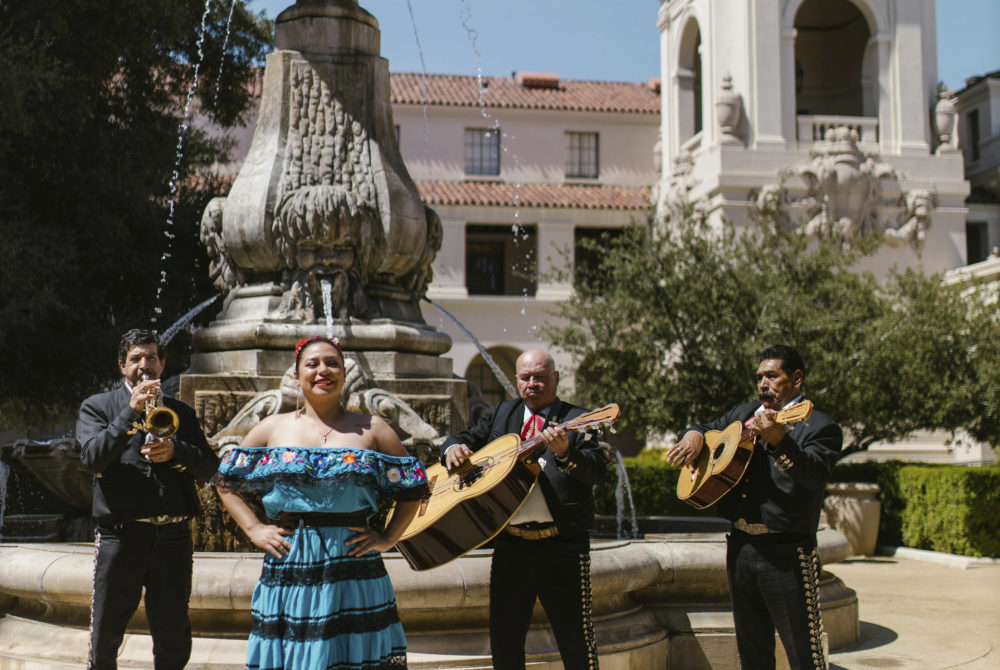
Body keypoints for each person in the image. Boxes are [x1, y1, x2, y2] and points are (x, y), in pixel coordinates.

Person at [213, 336, 429, 669]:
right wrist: (254, 528)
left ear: (345, 373)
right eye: (312, 364)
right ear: (297, 376)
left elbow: (414, 488)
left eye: (332, 363)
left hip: (354, 563)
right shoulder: (272, 427)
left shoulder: (373, 428)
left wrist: (388, 538)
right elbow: (226, 481)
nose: (322, 371)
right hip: (290, 559)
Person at [666, 345, 843, 670]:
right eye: (760, 376)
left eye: (772, 376)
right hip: (742, 547)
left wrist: (780, 440)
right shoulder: (744, 413)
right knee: (752, 652)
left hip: (788, 553)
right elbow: (705, 428)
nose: (763, 383)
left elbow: (813, 476)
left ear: (797, 379)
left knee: (805, 654)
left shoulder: (819, 426)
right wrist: (692, 435)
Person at [442, 349, 607, 670]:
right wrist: (452, 448)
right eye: (526, 377)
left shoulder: (578, 419)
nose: (533, 383)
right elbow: (463, 437)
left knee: (576, 643)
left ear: (555, 379)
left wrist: (565, 453)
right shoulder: (503, 414)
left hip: (563, 546)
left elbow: (595, 471)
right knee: (505, 644)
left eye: (540, 377)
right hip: (510, 547)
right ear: (517, 380)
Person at [78, 328, 219, 670]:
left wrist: (175, 451)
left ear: (162, 363)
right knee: (107, 631)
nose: (145, 365)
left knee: (173, 631)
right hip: (122, 534)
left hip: (173, 537)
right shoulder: (97, 406)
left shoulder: (181, 412)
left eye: (151, 357)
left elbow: (210, 467)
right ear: (122, 366)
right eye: (136, 359)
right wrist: (129, 414)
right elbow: (92, 459)